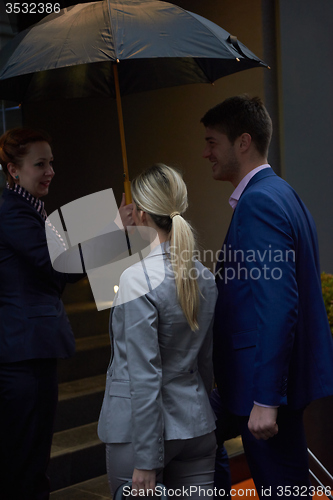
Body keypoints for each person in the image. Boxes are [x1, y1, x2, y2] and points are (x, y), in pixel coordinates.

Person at [201, 95, 333, 498]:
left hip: (264, 387)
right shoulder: (282, 192)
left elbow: (278, 304)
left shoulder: (258, 202)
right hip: (264, 380)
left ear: (243, 142)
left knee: (283, 491)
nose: (205, 153)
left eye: (212, 142)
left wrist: (266, 398)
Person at [0, 127, 133, 499]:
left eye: (51, 162)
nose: (50, 171)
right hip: (21, 355)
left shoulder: (34, 212)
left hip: (35, 350)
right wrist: (114, 229)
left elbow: (58, 277)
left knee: (34, 457)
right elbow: (58, 267)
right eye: (39, 164)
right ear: (14, 170)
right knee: (23, 460)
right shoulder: (14, 213)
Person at [98, 164, 217, 498]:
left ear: (140, 214)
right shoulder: (204, 277)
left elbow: (145, 375)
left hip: (140, 436)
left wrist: (147, 459)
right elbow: (205, 363)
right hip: (195, 425)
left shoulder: (137, 279)